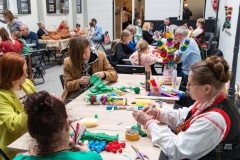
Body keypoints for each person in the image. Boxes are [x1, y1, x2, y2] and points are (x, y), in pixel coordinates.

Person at [132, 56, 240, 160]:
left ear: (206, 88)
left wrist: (149, 123)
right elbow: (184, 116)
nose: (187, 87)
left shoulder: (213, 120)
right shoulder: (209, 101)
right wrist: (158, 113)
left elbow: (176, 149)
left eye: (190, 84)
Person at [13, 91, 103, 160]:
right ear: (67, 125)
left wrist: (26, 154)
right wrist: (88, 153)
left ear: (31, 131)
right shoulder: (91, 158)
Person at [0, 53, 36, 160]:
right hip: (15, 148)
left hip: (33, 139)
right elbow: (14, 125)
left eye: (26, 70)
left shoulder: (27, 83)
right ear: (11, 74)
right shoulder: (2, 95)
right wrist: (35, 106)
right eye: (22, 72)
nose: (26, 74)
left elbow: (39, 106)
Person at [61, 36, 118, 101]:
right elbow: (67, 85)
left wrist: (103, 74)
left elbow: (114, 75)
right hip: (77, 96)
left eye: (85, 52)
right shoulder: (68, 62)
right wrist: (79, 82)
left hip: (96, 93)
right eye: (79, 54)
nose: (83, 57)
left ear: (89, 46)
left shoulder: (100, 56)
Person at [174, 26, 201, 91]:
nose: (174, 37)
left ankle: (179, 97)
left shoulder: (187, 43)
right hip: (190, 69)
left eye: (175, 35)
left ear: (179, 35)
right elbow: (179, 52)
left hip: (189, 72)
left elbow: (179, 59)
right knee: (172, 72)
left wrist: (169, 57)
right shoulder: (187, 40)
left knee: (171, 77)